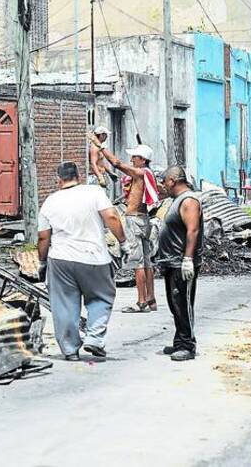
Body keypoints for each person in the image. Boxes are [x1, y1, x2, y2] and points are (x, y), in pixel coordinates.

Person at [37, 162, 127, 361]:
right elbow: (111, 216)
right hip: (94, 257)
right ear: (79, 176)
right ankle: (94, 338)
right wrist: (123, 242)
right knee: (101, 298)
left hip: (60, 260)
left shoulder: (50, 201)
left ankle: (70, 350)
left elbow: (43, 237)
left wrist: (42, 262)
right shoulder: (94, 192)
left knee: (64, 305)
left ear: (58, 179)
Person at [89, 135, 160, 313]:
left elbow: (117, 164)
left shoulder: (140, 172)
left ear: (143, 160)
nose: (132, 159)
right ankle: (151, 299)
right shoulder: (147, 174)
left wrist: (101, 146)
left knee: (137, 263)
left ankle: (141, 302)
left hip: (134, 220)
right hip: (144, 219)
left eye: (135, 157)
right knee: (147, 261)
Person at [155, 166, 203, 362]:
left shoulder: (188, 201)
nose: (164, 186)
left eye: (165, 182)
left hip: (181, 262)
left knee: (183, 304)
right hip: (171, 261)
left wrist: (188, 259)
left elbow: (193, 231)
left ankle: (187, 345)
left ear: (173, 181)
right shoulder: (175, 201)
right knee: (175, 304)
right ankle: (179, 341)